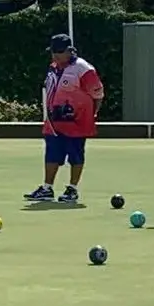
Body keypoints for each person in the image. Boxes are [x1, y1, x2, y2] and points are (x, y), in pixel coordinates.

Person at [27, 33, 103, 203]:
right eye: (53, 52)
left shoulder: (84, 69)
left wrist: (92, 114)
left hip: (77, 122)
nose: (55, 56)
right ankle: (47, 188)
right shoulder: (53, 67)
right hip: (54, 122)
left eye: (59, 52)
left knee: (76, 155)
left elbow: (98, 94)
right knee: (51, 154)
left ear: (70, 51)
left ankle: (72, 189)